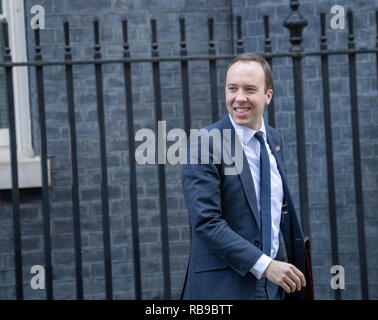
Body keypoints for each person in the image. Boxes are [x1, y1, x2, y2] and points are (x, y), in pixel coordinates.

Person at [181, 53, 306, 300]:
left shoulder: (273, 139)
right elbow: (207, 222)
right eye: (232, 88)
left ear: (267, 96)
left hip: (275, 288)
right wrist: (266, 265)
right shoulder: (204, 143)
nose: (239, 98)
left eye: (249, 89)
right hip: (225, 289)